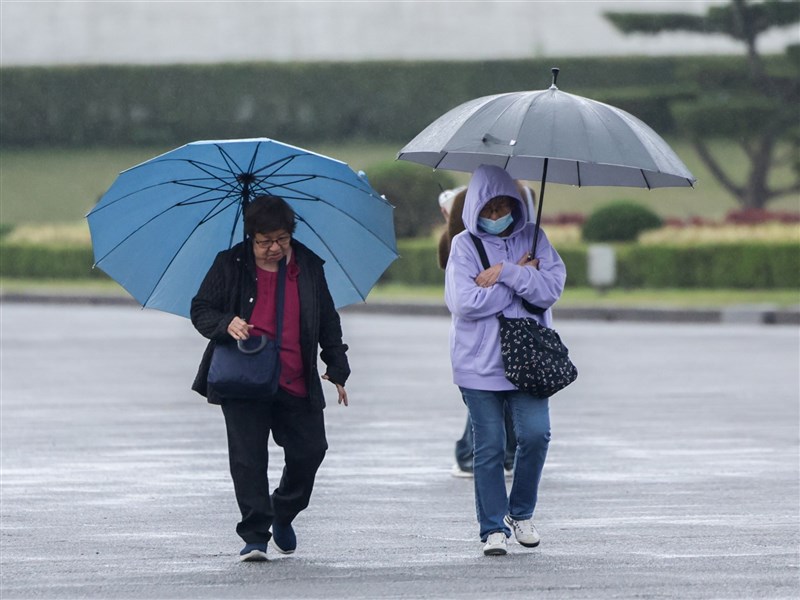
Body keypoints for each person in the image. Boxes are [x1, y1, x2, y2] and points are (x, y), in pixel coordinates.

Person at [190, 194, 350, 562]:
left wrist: (337, 366)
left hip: (295, 375)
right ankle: (255, 536)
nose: (274, 248)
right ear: (252, 237)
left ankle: (283, 510)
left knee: (311, 451)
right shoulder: (230, 263)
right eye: (264, 241)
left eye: (282, 239)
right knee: (248, 459)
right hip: (244, 379)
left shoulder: (308, 265)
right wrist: (225, 323)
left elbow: (327, 318)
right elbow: (201, 309)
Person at [444, 164, 566, 557]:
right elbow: (465, 302)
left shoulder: (535, 236)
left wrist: (504, 273)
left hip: (528, 362)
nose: (497, 216)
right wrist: (519, 280)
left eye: (503, 207)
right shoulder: (464, 245)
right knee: (490, 446)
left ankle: (521, 513)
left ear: (515, 203)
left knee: (536, 435)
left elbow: (549, 290)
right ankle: (492, 528)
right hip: (477, 364)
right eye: (489, 209)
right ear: (475, 208)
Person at [438, 181, 536, 479]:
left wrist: (511, 274)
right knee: (487, 399)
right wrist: (514, 276)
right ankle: (473, 454)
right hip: (481, 329)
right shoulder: (470, 201)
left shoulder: (520, 194)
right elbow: (463, 290)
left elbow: (544, 281)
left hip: (513, 327)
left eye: (501, 209)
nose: (495, 216)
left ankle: (493, 454)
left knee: (500, 400)